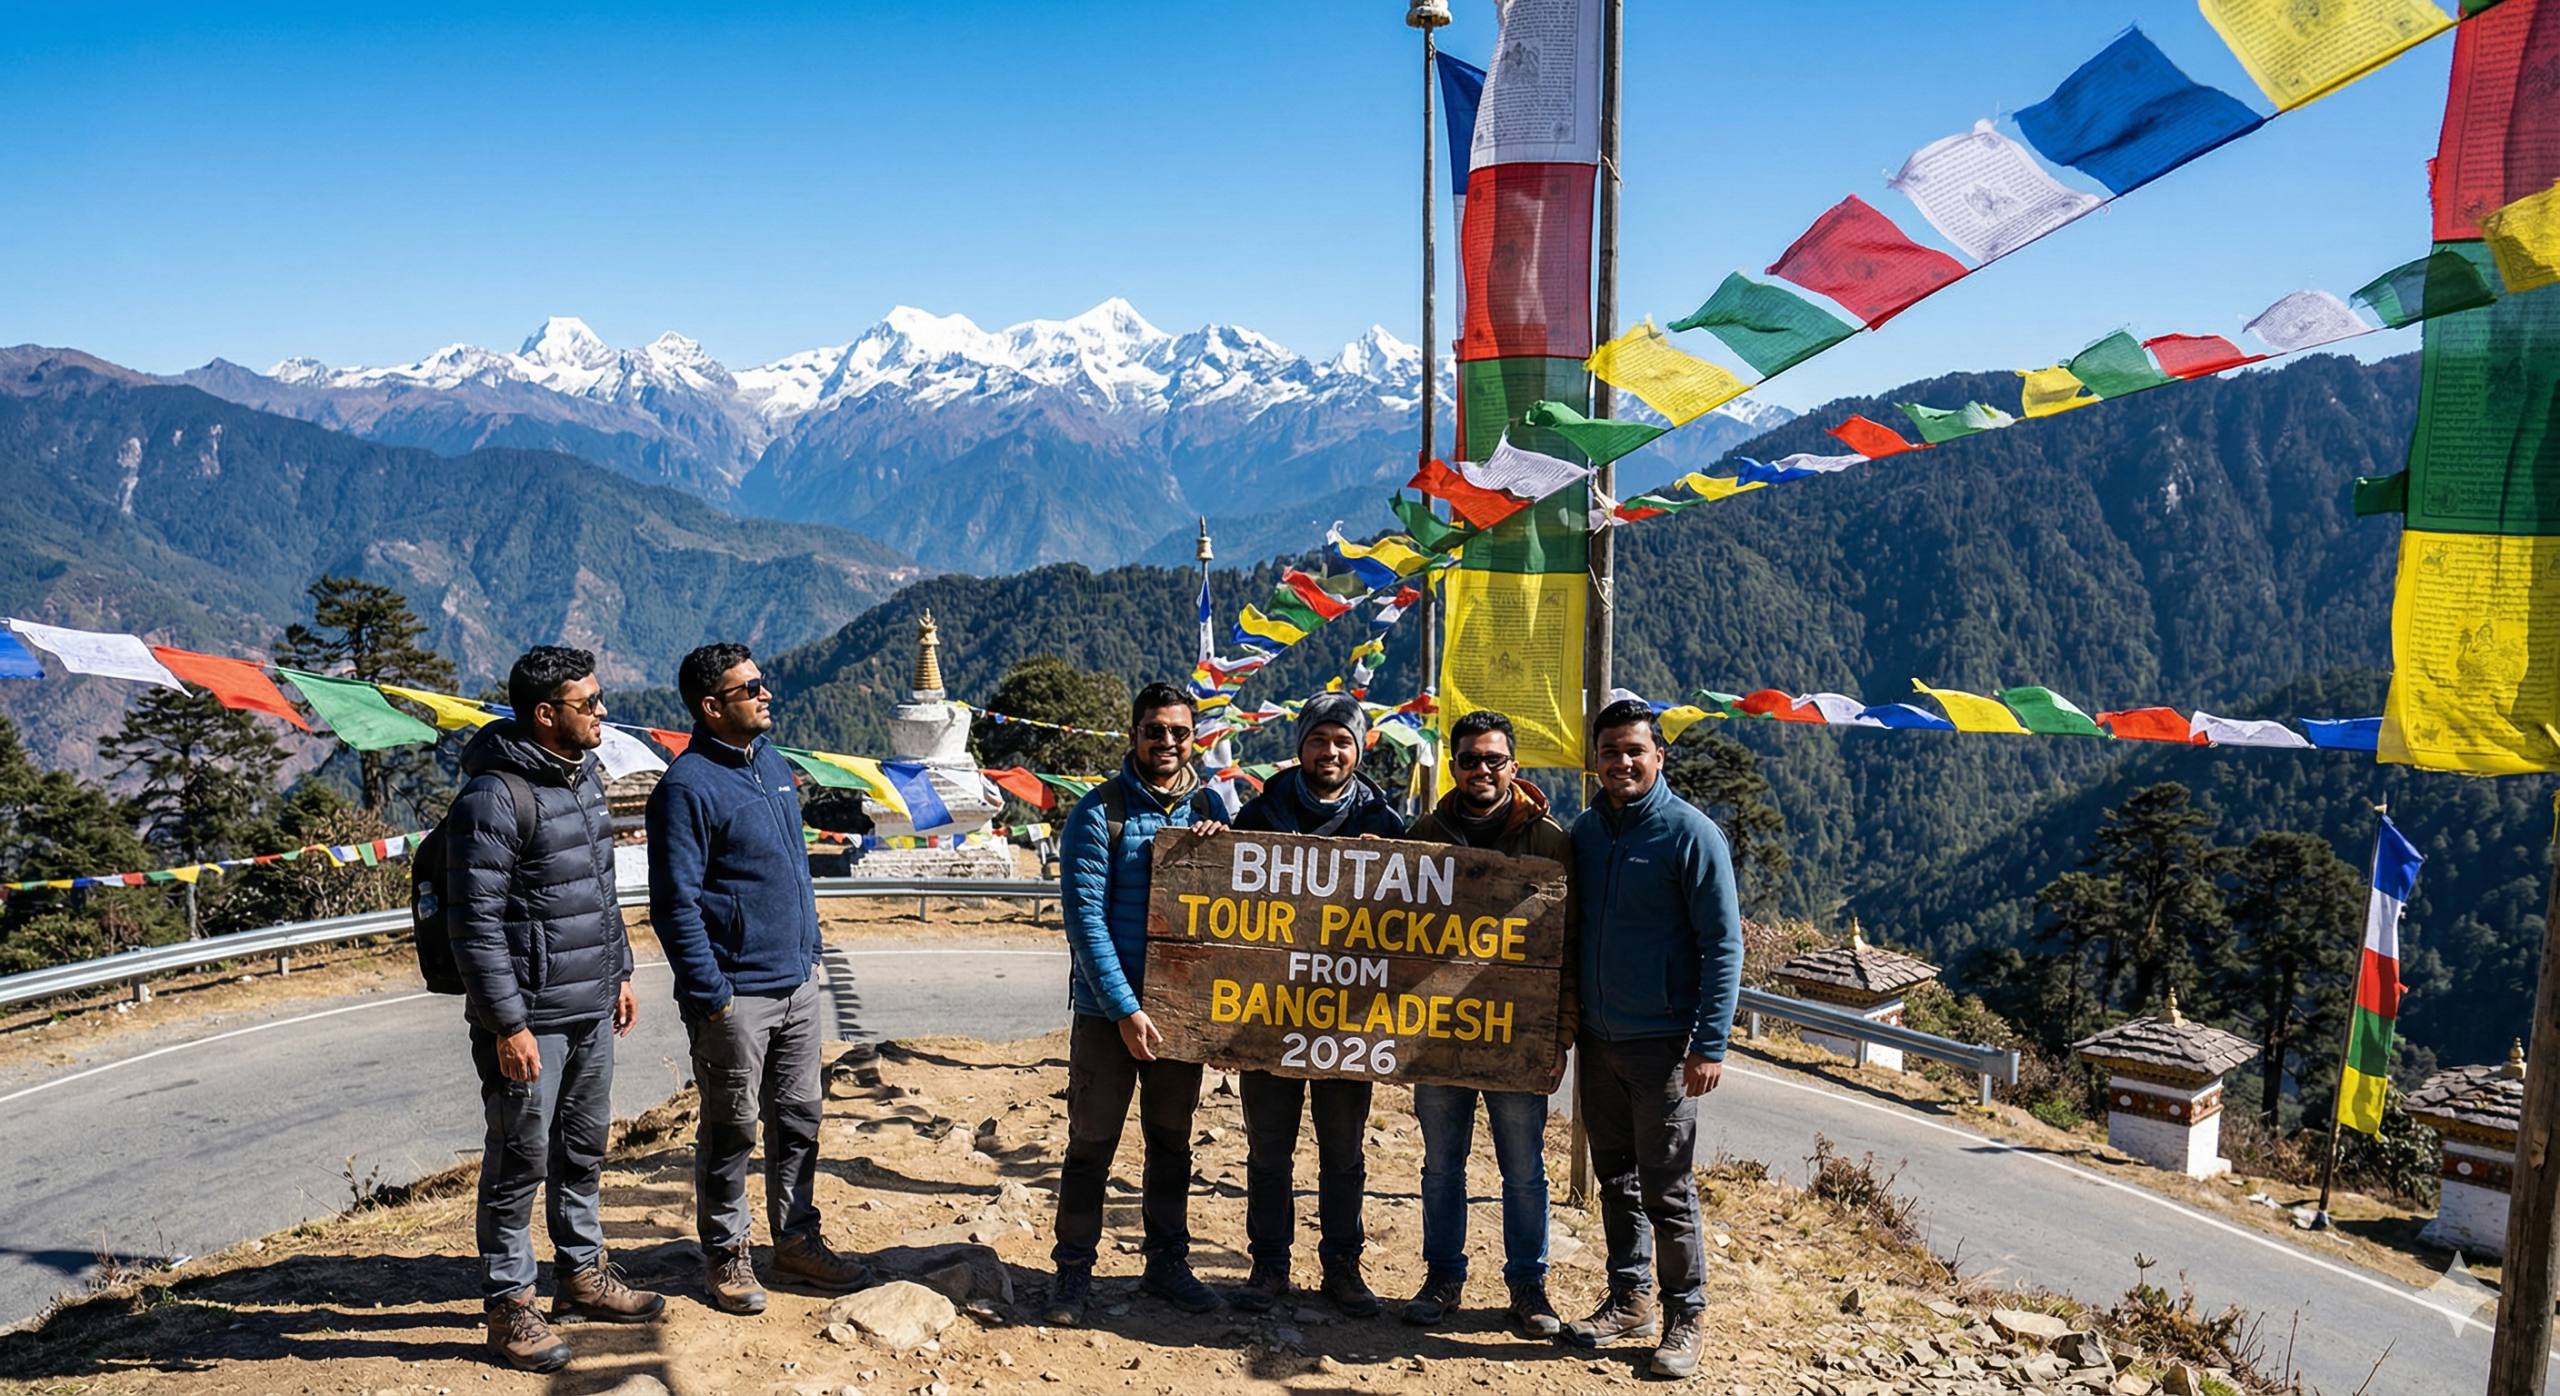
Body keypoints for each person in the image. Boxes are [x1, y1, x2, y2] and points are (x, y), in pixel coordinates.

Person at [449, 645, 662, 1372]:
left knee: (582, 1150)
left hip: (592, 1003)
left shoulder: (583, 779)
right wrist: (507, 1024)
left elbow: (599, 891)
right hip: (532, 1018)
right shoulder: (495, 796)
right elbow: (474, 925)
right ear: (545, 715)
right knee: (519, 1162)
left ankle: (581, 1276)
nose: (603, 712)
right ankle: (510, 1308)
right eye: (589, 703)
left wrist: (620, 971)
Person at [648, 642, 874, 1316]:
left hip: (796, 982)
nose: (764, 693)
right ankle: (727, 1254)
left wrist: (809, 951)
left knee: (800, 1118)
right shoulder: (686, 788)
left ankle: (796, 1240)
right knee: (732, 1128)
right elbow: (675, 905)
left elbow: (791, 869)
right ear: (711, 706)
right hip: (736, 995)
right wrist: (712, 995)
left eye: (761, 682)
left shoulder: (772, 763)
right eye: (749, 688)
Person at [1562, 697, 1743, 1378]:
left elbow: (1723, 945)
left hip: (1664, 1046)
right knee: (1615, 1179)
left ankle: (1685, 1315)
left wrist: (1710, 1044)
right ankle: (1629, 1297)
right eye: (1610, 751)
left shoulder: (1690, 834)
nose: (1622, 762)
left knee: (1667, 1187)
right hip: (1598, 1042)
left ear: (1658, 756)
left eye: (1634, 750)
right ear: (1596, 759)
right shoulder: (1584, 834)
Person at [1044, 681, 1232, 1325]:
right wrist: (1125, 1010)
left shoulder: (1209, 805)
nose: (1167, 742)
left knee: (1171, 1143)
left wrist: (1219, 842)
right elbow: (1086, 924)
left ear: (1194, 737)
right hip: (1107, 1014)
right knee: (1091, 1144)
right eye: (1155, 730)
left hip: (1179, 1011)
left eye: (1179, 731)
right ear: (1134, 735)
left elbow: (1229, 912)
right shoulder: (1098, 813)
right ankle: (1073, 1269)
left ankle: (1167, 1263)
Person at [1222, 691, 1404, 1317]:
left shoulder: (1385, 822)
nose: (1331, 751)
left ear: (1359, 750)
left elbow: (1415, 921)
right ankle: (1269, 1265)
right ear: (1300, 746)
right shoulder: (1260, 814)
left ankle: (1342, 1267)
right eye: (1319, 739)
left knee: (1343, 1153)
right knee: (1269, 1151)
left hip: (1349, 1023)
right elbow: (1218, 903)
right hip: (1266, 1018)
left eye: (1343, 741)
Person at [1396, 709, 1574, 1337]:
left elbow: (1569, 946)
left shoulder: (1550, 841)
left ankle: (1529, 1286)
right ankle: (1442, 1277)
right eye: (1470, 759)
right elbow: (1392, 935)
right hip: (1438, 1034)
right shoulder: (1424, 833)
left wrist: (1560, 1037)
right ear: (1454, 766)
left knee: (1523, 1169)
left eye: (1493, 759)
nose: (1481, 770)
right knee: (1441, 1165)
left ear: (1513, 766)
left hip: (1517, 1036)